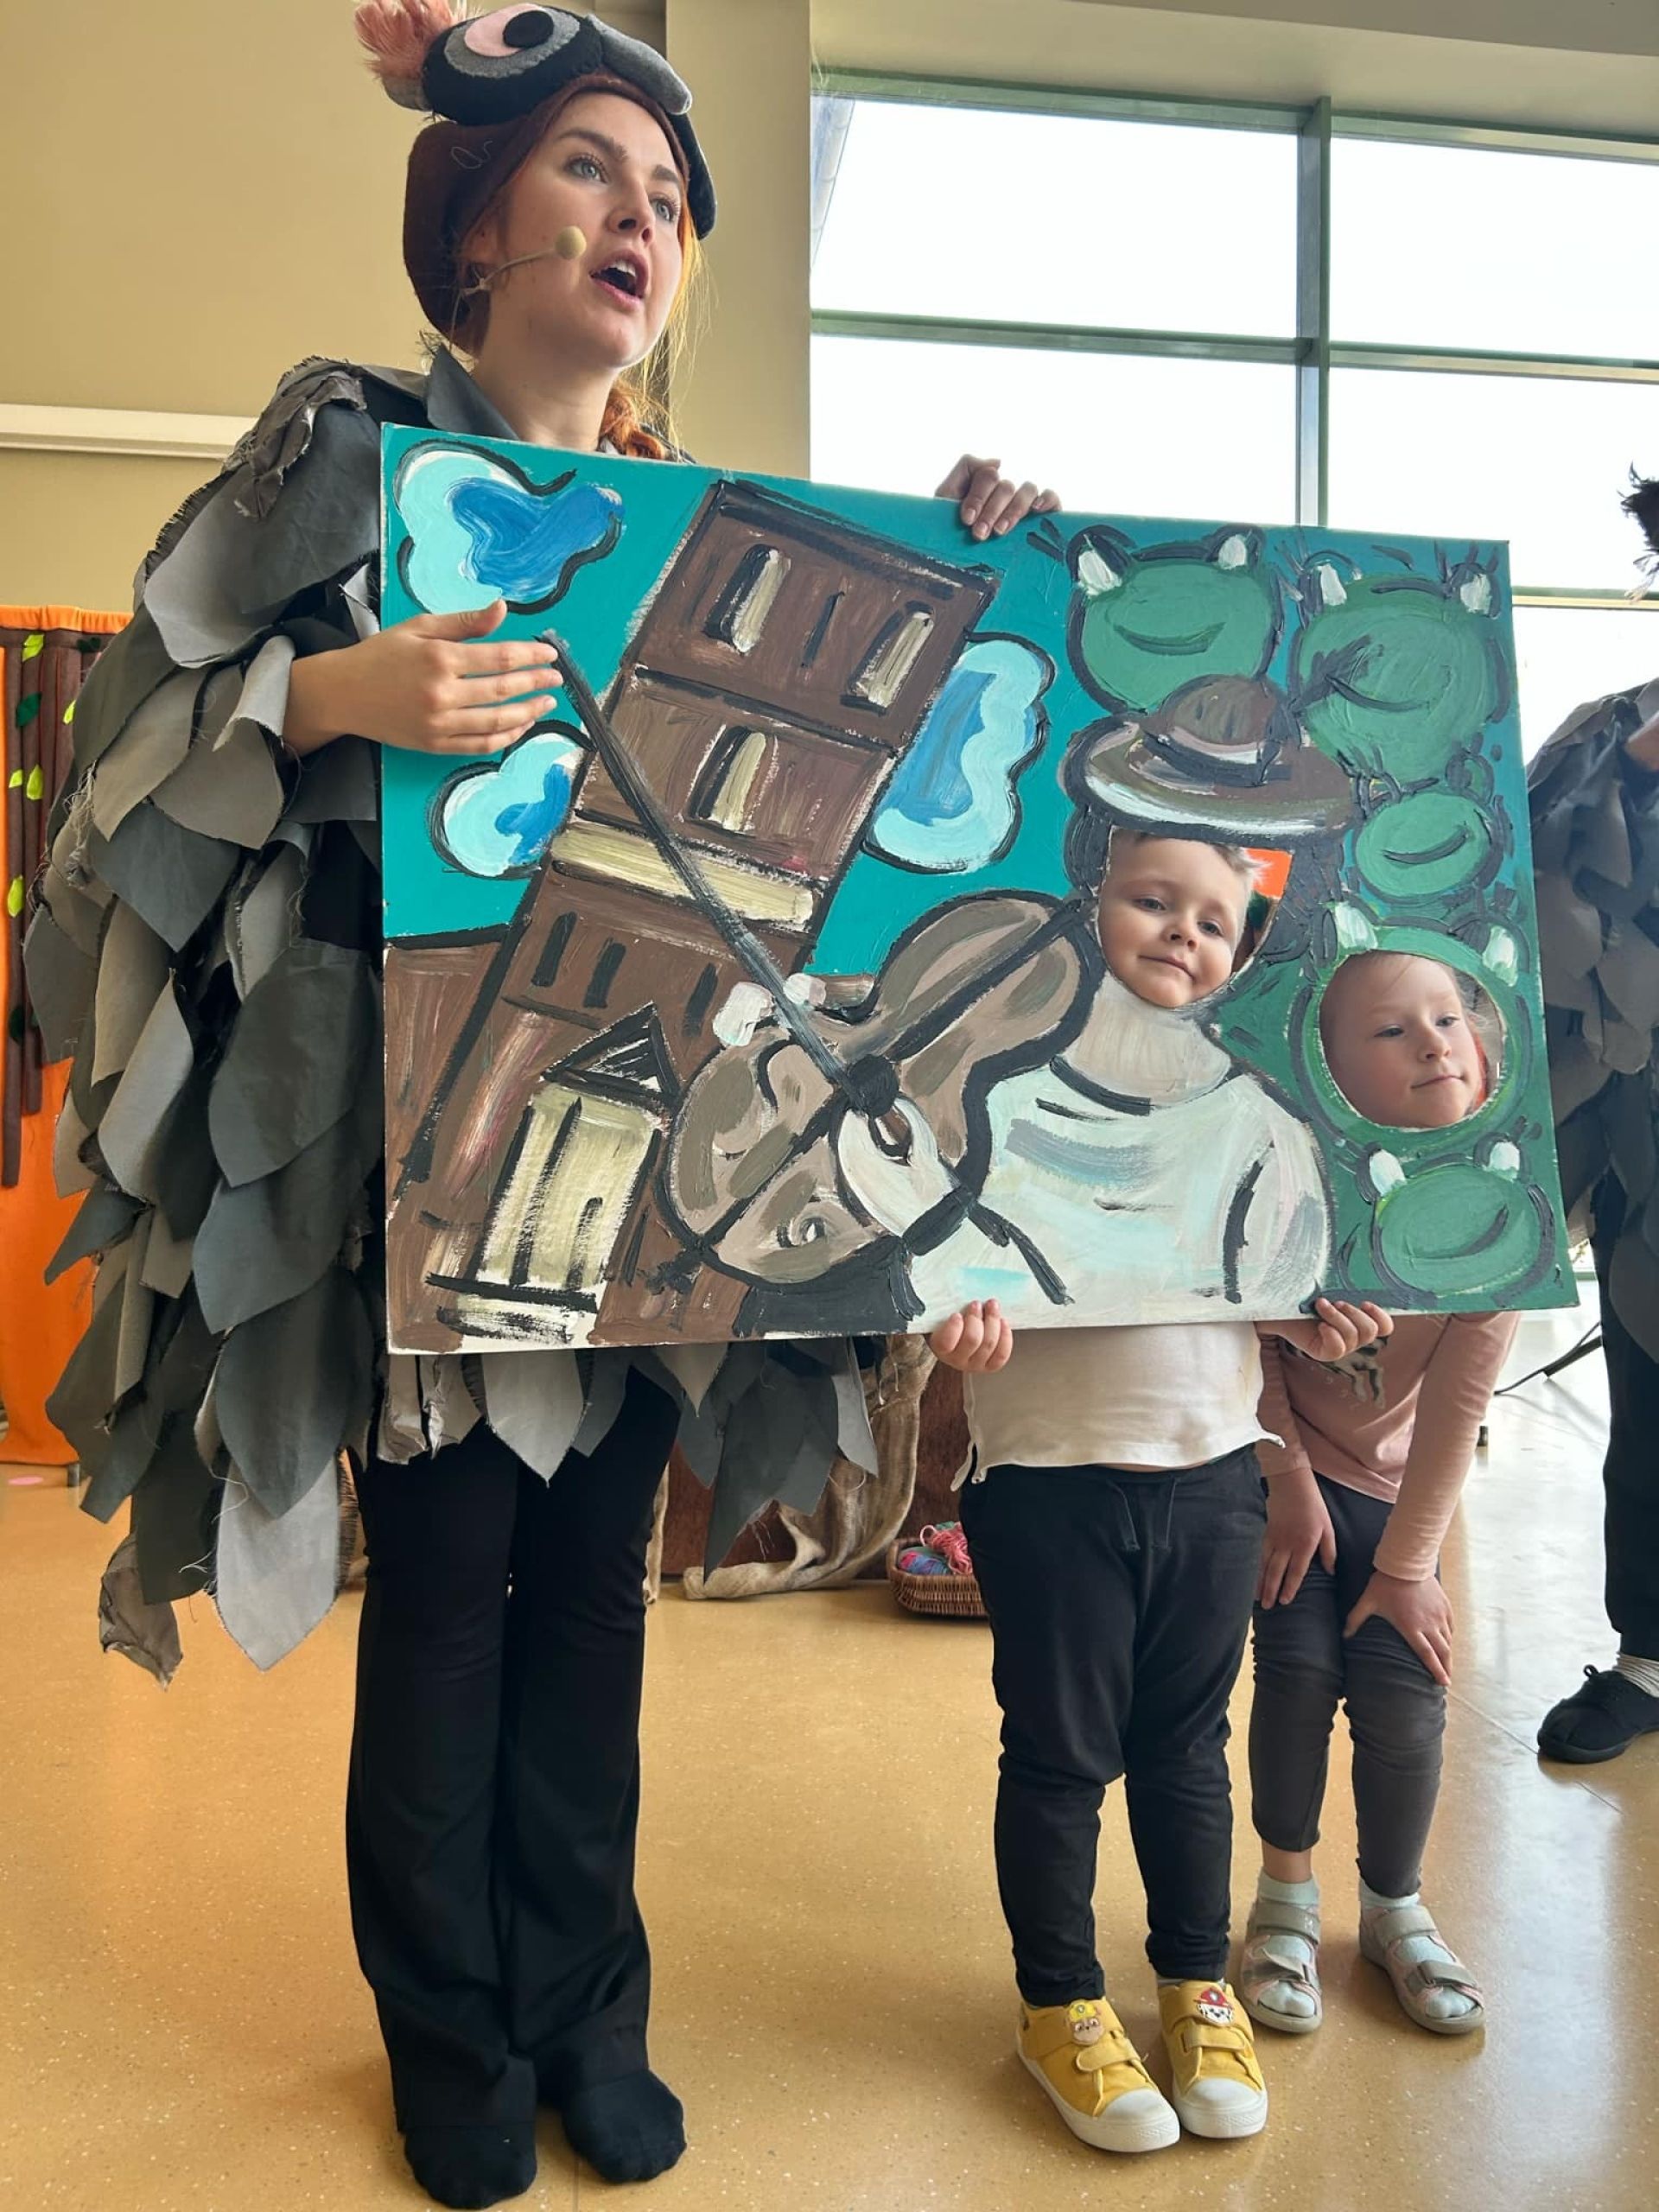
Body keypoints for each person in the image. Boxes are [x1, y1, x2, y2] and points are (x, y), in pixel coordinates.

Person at [24, 8, 1058, 2204]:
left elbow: (901, 802)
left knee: (598, 1599)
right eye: (591, 168)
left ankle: (591, 2001)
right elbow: (125, 733)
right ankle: (454, 2026)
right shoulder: (346, 441)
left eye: (668, 198)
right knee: (450, 1601)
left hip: (645, 1163)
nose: (637, 218)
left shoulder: (715, 523)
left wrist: (994, 542)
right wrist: (334, 686)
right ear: (476, 222)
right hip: (408, 1158)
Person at [926, 827, 1389, 2156]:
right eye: (1150, 900)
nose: (1184, 931)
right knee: (1060, 1756)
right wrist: (945, 1327)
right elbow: (925, 1259)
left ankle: (1196, 1985)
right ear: (1085, 908)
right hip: (1046, 1484)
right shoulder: (999, 1098)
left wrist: (1308, 1320)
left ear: (1241, 955)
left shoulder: (1253, 1117)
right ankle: (1060, 2006)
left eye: (1215, 920)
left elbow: (1264, 1282)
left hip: (1209, 1477)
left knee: (1187, 1750)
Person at [1239, 950, 1516, 2040]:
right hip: (1286, 1470)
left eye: (1448, 1019)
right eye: (1393, 1031)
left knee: (1407, 1690)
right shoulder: (1289, 1189)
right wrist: (1284, 1480)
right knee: (1297, 1672)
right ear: (1331, 1075)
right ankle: (1284, 1899)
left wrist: (1408, 1568)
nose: (1435, 1043)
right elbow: (1249, 1348)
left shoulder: (1499, 1216)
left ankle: (1397, 1907)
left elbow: (1458, 1406)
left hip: (1401, 1492)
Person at [1528, 475, 1659, 1764]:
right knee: (1652, 1400)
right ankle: (1650, 1658)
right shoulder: (1595, 738)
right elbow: (1490, 893)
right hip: (1633, 1144)